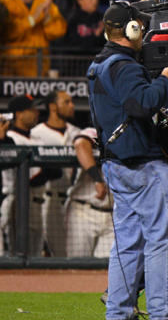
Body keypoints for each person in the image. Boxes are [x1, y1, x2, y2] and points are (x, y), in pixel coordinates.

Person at [86, 2, 168, 320]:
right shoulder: (124, 66)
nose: (144, 30)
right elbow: (142, 103)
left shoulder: (99, 63)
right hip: (143, 164)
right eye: (139, 25)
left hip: (117, 163)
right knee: (163, 236)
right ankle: (163, 313)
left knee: (128, 239)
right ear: (131, 29)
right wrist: (166, 79)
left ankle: (119, 311)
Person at [31, 90, 79, 258]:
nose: (72, 106)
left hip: (72, 201)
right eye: (67, 102)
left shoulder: (76, 132)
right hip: (47, 200)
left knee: (72, 256)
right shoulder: (36, 133)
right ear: (52, 106)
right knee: (46, 255)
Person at [0, 0, 66, 77]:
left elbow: (58, 32)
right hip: (12, 67)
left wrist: (47, 19)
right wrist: (32, 19)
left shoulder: (43, 1)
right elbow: (8, 33)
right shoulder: (5, 2)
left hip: (39, 65)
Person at [1, 95, 44, 256]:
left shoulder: (37, 138)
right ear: (18, 114)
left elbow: (55, 172)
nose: (36, 113)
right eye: (31, 109)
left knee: (35, 255)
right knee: (13, 254)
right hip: (15, 201)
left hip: (37, 202)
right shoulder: (9, 138)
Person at [65, 127, 114, 258]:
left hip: (112, 216)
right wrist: (97, 180)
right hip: (83, 212)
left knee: (107, 268)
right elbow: (80, 144)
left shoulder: (128, 137)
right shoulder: (94, 132)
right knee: (76, 266)